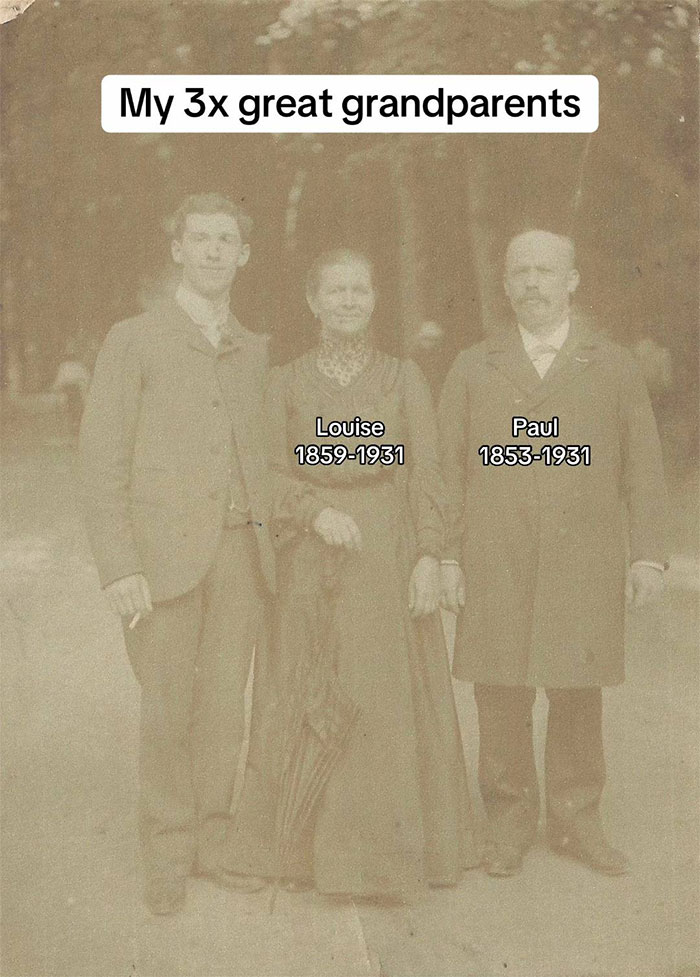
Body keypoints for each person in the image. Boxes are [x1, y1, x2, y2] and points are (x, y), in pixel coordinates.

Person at [225, 248, 479, 901]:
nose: (347, 300)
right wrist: (313, 511)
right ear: (313, 301)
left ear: (373, 299)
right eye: (334, 290)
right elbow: (267, 473)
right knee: (299, 686)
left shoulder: (403, 378)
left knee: (385, 697)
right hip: (312, 551)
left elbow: (428, 471)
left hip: (387, 551)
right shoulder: (284, 381)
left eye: (359, 290)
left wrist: (430, 552)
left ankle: (387, 858)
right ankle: (290, 853)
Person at [439, 228, 668, 878]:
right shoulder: (473, 365)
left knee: (576, 692)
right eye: (521, 273)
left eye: (546, 272)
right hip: (497, 558)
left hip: (583, 562)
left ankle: (576, 820)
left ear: (572, 281)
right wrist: (449, 555)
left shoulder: (613, 365)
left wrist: (647, 555)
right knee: (501, 691)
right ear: (506, 283)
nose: (532, 284)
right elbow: (446, 469)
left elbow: (643, 467)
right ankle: (508, 822)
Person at [79, 193, 275, 915]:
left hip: (239, 557)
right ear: (178, 250)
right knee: (167, 706)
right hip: (160, 561)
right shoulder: (133, 338)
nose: (214, 251)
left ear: (244, 255)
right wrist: (120, 565)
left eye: (228, 240)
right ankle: (167, 847)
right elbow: (101, 459)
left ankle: (213, 839)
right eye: (201, 239)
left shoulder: (255, 348)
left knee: (225, 704)